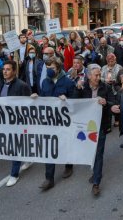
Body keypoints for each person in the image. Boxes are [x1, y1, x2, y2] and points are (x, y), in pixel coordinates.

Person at [73, 64, 115, 196]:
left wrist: (106, 103)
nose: (98, 77)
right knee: (90, 151)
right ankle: (95, 172)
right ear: (89, 76)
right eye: (96, 75)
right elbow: (74, 103)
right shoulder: (82, 87)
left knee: (98, 153)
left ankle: (96, 182)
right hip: (85, 126)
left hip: (100, 126)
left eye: (99, 75)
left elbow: (113, 102)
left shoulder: (106, 87)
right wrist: (77, 89)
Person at [34, 57, 75, 190]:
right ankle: (49, 178)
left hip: (64, 121)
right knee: (49, 147)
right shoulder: (45, 82)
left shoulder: (68, 83)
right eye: (47, 68)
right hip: (49, 121)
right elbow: (43, 99)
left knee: (65, 144)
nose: (49, 71)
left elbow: (76, 103)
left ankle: (69, 165)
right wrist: (36, 98)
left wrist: (67, 100)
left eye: (52, 68)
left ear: (58, 68)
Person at [0, 60, 33, 187]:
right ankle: (28, 157)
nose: (5, 71)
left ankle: (14, 174)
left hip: (18, 122)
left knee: (14, 147)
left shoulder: (22, 86)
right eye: (4, 69)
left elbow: (29, 105)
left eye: (8, 69)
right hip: (4, 121)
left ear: (14, 71)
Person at [101, 54, 122, 127]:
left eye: (112, 60)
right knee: (108, 104)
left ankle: (117, 120)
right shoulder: (103, 68)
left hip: (116, 89)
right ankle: (108, 121)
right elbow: (100, 77)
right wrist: (105, 80)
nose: (110, 61)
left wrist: (115, 80)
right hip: (106, 89)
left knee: (117, 104)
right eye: (108, 60)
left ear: (115, 60)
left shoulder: (119, 67)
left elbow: (122, 78)